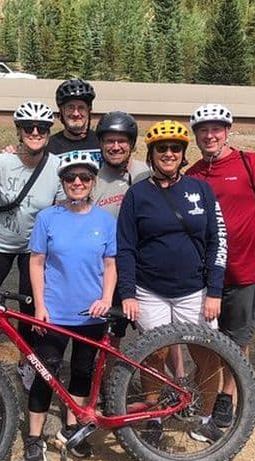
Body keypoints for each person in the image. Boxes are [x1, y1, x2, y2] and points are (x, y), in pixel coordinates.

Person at [116, 120, 227, 445]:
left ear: (183, 154)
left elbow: (217, 241)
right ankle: (153, 417)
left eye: (175, 149)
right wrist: (128, 293)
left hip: (195, 291)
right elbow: (125, 247)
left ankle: (204, 419)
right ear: (151, 155)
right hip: (149, 291)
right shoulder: (137, 194)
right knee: (155, 356)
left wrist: (215, 291)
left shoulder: (200, 190)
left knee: (207, 355)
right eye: (161, 149)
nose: (168, 153)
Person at [185, 103, 255, 429]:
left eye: (216, 129)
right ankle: (208, 393)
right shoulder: (193, 174)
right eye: (203, 130)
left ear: (227, 131)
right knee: (201, 341)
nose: (210, 135)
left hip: (244, 270)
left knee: (237, 340)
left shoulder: (251, 163)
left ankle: (227, 398)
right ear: (196, 137)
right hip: (204, 276)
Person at [24, 151, 116, 461]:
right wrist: (39, 305)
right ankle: (34, 439)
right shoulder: (48, 218)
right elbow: (35, 263)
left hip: (91, 314)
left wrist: (107, 297)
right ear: (62, 183)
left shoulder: (105, 220)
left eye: (84, 178)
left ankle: (71, 430)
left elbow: (110, 264)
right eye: (70, 178)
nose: (77, 183)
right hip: (54, 312)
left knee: (81, 371)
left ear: (92, 182)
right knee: (46, 371)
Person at [0, 101, 64, 348]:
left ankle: (26, 362)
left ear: (48, 133)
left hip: (33, 248)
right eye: (29, 127)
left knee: (29, 307)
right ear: (19, 131)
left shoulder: (57, 167)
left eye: (42, 128)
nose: (35, 133)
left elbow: (59, 211)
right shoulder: (1, 162)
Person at [92, 111, 149, 348]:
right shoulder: (90, 177)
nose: (115, 146)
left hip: (142, 265)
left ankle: (176, 377)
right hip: (103, 266)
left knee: (155, 329)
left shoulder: (147, 173)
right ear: (101, 144)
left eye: (122, 141)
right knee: (107, 329)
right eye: (109, 141)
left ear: (132, 144)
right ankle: (106, 380)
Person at [46, 78, 101, 162]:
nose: (76, 113)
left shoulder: (102, 142)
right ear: (61, 111)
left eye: (81, 107)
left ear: (89, 111)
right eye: (70, 107)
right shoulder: (48, 146)